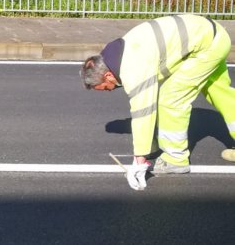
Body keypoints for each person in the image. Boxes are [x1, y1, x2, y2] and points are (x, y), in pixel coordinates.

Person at [80, 14, 235, 190]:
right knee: (219, 92)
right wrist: (148, 148)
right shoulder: (115, 55)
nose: (110, 90)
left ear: (107, 75)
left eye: (106, 87)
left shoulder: (133, 68)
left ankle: (175, 160)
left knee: (171, 99)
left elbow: (143, 112)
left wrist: (139, 159)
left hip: (206, 46)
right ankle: (157, 145)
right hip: (212, 34)